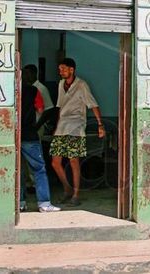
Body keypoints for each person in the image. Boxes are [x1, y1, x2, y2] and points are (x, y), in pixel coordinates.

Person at [50, 58, 104, 207]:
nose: (60, 71)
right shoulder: (61, 84)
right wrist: (56, 126)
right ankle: (67, 189)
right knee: (55, 162)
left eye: (63, 69)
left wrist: (100, 124)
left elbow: (93, 105)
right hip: (62, 126)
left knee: (73, 161)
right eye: (59, 69)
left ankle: (76, 194)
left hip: (76, 126)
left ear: (71, 69)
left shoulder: (81, 85)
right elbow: (60, 106)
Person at [20, 67, 61, 212]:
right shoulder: (33, 90)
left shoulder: (9, 89)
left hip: (13, 135)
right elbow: (40, 109)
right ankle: (44, 203)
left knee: (18, 170)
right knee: (39, 169)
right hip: (30, 135)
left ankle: (20, 203)